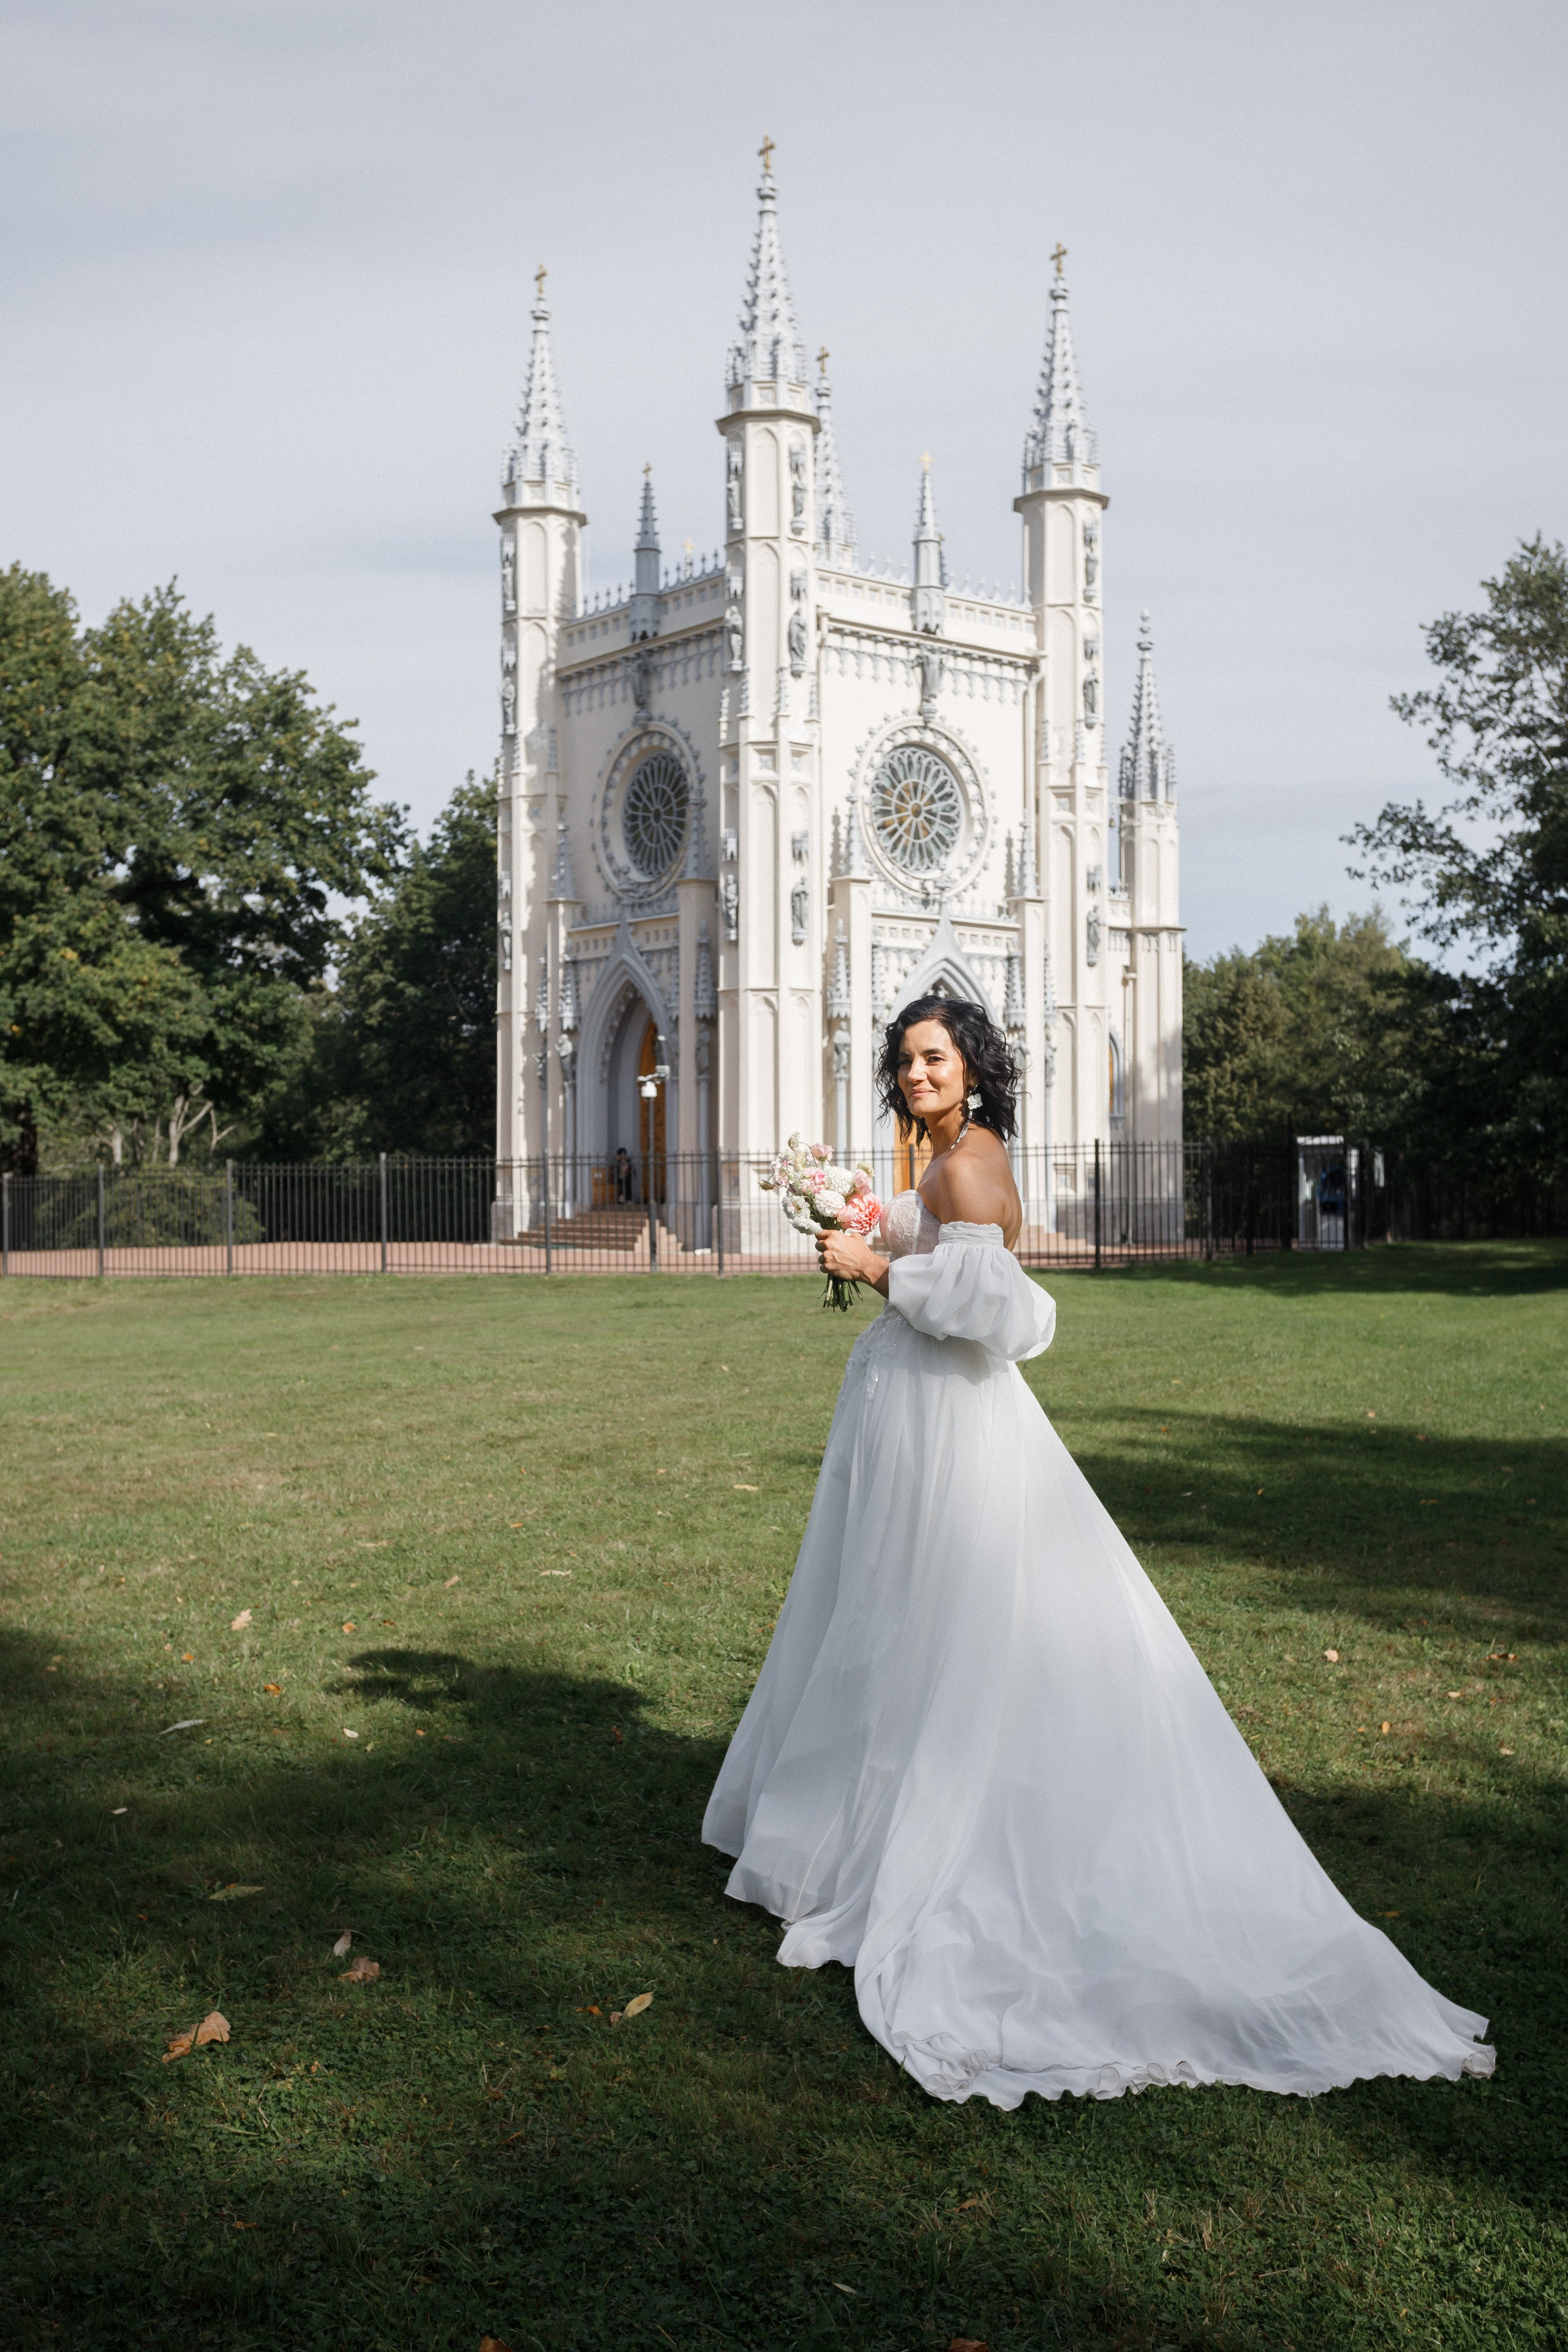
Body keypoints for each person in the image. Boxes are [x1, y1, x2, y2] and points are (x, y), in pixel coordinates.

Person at [703, 995, 1493, 2108]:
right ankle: (854, 1822)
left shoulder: (972, 1160)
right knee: (886, 1619)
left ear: (973, 1069)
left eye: (936, 1058)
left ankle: (927, 1835)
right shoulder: (939, 1154)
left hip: (950, 1423)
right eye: (905, 1059)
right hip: (910, 1414)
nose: (917, 1073)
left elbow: (1004, 1312)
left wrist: (878, 1268)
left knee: (938, 1618)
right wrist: (865, 1228)